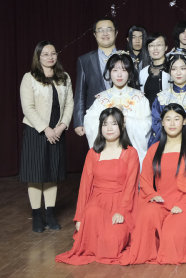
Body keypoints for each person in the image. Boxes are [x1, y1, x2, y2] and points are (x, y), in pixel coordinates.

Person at [120, 104, 186, 265]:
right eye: (168, 119)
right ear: (162, 123)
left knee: (172, 236)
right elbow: (145, 179)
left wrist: (183, 204)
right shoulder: (154, 149)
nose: (172, 123)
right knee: (146, 216)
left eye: (176, 119)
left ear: (184, 121)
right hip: (161, 201)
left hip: (185, 204)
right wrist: (152, 195)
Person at [56, 108, 139, 265]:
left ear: (122, 126)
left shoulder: (130, 152)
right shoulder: (93, 153)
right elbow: (85, 186)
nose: (109, 128)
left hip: (121, 203)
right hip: (98, 202)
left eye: (113, 124)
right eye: (105, 124)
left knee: (112, 245)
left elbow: (131, 186)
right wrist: (79, 218)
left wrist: (121, 211)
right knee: (91, 219)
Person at [19, 41, 74, 233]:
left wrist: (62, 126)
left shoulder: (64, 77)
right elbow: (28, 108)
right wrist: (46, 129)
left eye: (53, 53)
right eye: (45, 54)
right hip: (36, 131)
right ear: (38, 57)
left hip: (57, 131)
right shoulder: (29, 78)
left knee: (52, 174)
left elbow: (69, 104)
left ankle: (50, 214)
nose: (50, 57)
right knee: (35, 175)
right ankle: (37, 215)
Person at [83, 52, 152, 167]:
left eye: (124, 70)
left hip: (132, 154)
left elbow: (146, 125)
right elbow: (90, 123)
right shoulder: (101, 99)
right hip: (107, 152)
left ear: (130, 73)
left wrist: (125, 119)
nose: (119, 75)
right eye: (115, 70)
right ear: (109, 72)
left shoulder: (140, 98)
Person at [73, 18, 118, 140]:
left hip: (122, 114)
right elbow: (80, 92)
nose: (105, 33)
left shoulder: (126, 57)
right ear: (94, 34)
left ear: (116, 32)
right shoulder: (85, 60)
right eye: (100, 30)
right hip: (95, 117)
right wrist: (79, 121)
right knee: (98, 150)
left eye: (109, 29)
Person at [139, 32, 170, 108]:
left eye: (159, 45)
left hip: (168, 113)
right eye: (151, 45)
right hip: (148, 113)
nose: (155, 48)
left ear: (166, 47)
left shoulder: (173, 69)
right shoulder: (143, 72)